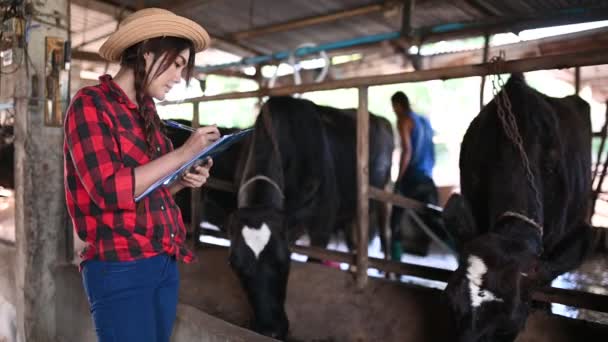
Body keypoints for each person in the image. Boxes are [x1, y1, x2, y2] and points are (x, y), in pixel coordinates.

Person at [63, 8, 219, 342]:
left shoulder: (147, 112)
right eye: (176, 64)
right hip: (120, 265)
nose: (179, 76)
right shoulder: (90, 105)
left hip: (162, 259)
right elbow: (108, 190)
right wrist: (184, 152)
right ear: (147, 53)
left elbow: (145, 192)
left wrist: (180, 179)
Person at [389, 91, 439, 259]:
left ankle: (393, 266)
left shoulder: (404, 120)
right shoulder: (423, 120)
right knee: (435, 222)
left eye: (394, 107)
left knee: (395, 220)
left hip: (412, 177)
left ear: (397, 105)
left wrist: (399, 179)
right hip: (427, 177)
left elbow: (407, 151)